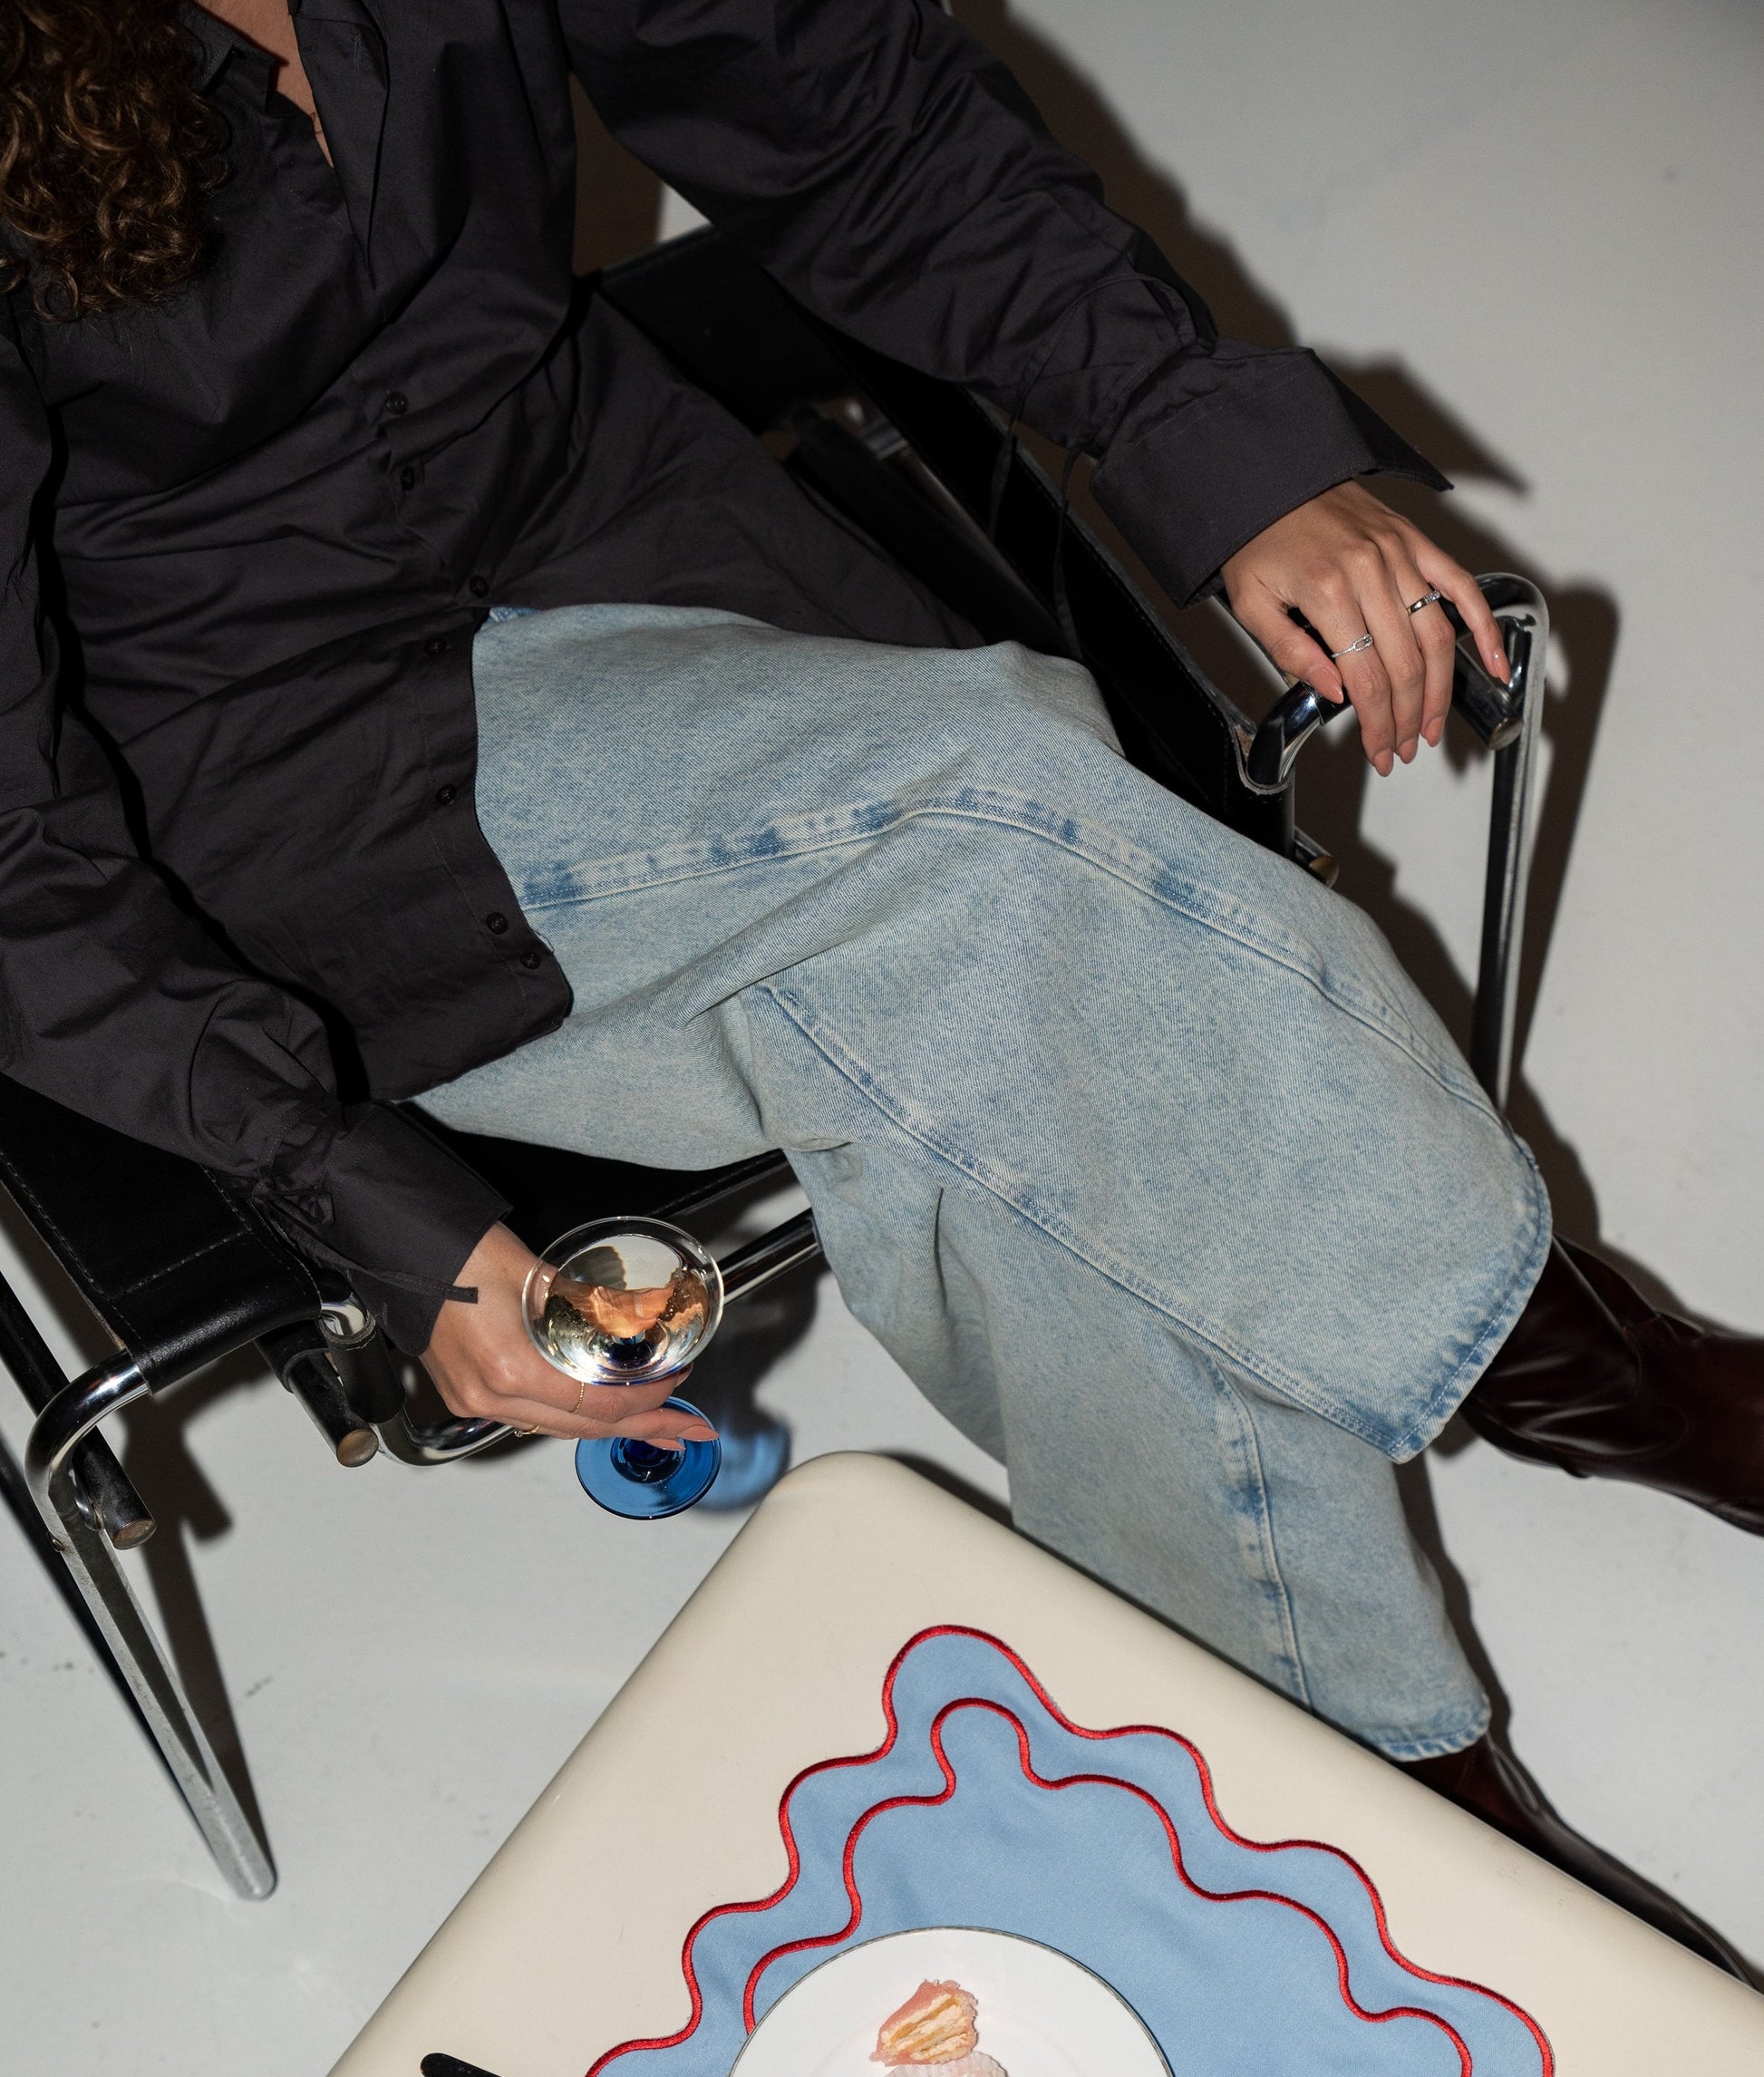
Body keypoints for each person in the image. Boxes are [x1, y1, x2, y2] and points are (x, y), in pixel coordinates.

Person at [0, 0, 1756, 1974]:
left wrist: (1200, 438)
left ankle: (1375, 1795)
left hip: (624, 521)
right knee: (999, 823)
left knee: (984, 982)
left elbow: (852, 113)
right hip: (271, 785)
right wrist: (353, 1192)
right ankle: (1569, 1367)